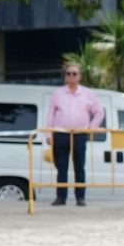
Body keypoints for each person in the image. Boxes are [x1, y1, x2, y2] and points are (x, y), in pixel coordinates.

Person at [46, 63, 105, 206]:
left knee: (79, 166)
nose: (71, 76)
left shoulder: (87, 93)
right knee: (61, 167)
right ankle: (61, 197)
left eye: (74, 73)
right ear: (65, 77)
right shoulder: (57, 93)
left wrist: (91, 127)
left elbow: (99, 112)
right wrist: (49, 134)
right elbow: (50, 115)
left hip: (79, 134)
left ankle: (80, 197)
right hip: (61, 133)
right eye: (68, 74)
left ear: (80, 76)